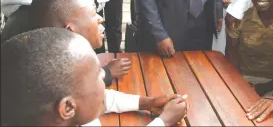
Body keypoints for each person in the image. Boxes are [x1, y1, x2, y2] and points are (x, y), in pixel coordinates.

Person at [1, 27, 188, 127]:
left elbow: (103, 99)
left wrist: (148, 102)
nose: (105, 82)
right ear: (67, 107)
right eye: (100, 76)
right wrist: (164, 121)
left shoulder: (59, 114)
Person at [28, 0, 131, 87]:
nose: (101, 19)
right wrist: (106, 73)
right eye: (93, 14)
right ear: (69, 31)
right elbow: (80, 88)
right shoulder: (59, 76)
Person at [226, 0, 273, 96]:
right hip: (243, 79)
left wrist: (267, 87)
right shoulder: (240, 18)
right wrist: (238, 83)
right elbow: (231, 52)